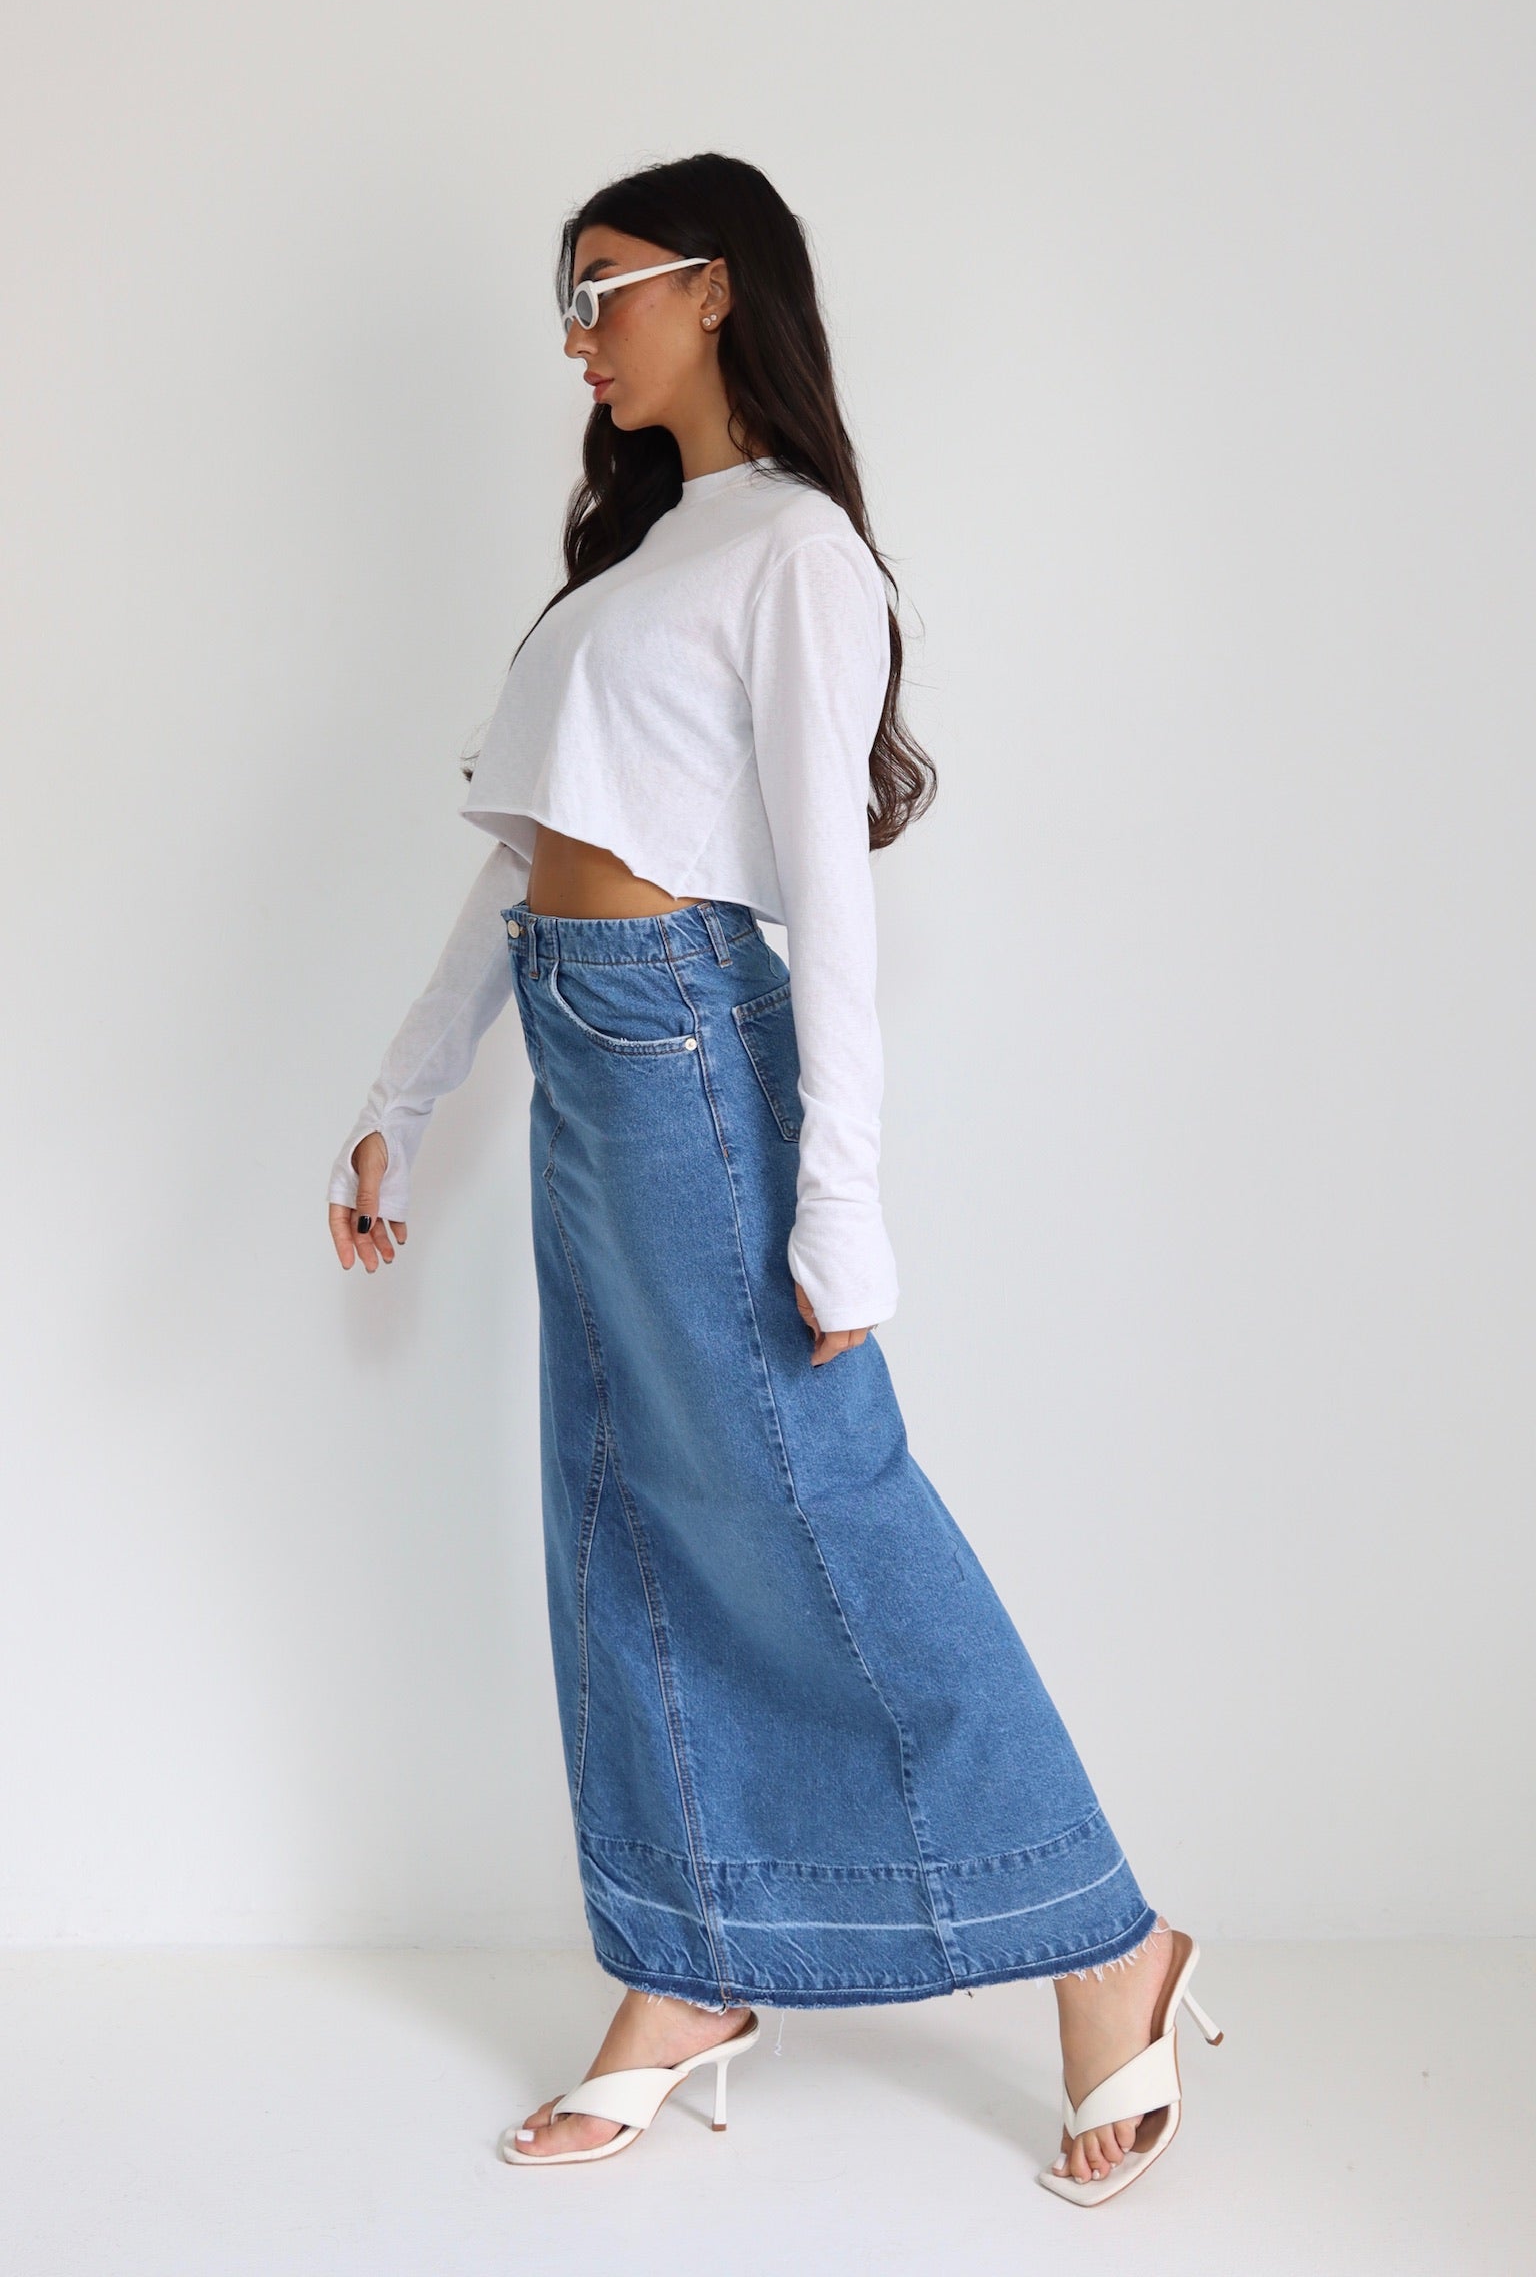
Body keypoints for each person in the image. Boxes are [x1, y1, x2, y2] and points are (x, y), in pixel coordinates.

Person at [326, 152, 1222, 2206]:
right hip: (586, 1047)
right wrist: (403, 1095)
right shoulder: (639, 564)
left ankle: (1106, 1941)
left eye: (608, 287)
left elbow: (829, 891)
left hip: (695, 1057)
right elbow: (523, 867)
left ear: (719, 288)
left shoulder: (800, 552)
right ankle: (684, 1966)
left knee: (825, 1504)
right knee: (619, 1513)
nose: (581, 332)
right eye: (568, 299)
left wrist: (843, 1204)